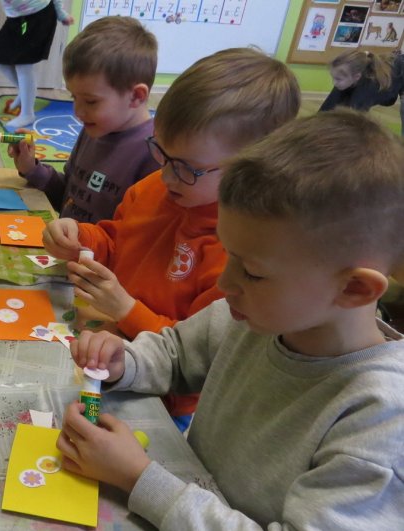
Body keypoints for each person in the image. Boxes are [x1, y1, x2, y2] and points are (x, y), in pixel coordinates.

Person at [58, 110, 404, 531]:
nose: (225, 283)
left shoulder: (381, 418)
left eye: (252, 272)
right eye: (229, 256)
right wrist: (123, 362)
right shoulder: (254, 316)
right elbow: (176, 353)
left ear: (354, 289)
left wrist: (138, 478)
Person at [43, 48, 300, 427]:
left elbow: (194, 354)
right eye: (161, 152)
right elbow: (116, 241)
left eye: (187, 168)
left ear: (252, 172)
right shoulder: (153, 189)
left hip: (167, 401)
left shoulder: (239, 251)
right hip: (108, 354)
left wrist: (126, 310)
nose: (165, 175)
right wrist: (80, 238)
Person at [10, 16, 160, 223]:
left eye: (90, 101)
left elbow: (140, 234)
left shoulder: (155, 155)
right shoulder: (95, 128)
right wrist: (32, 169)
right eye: (74, 97)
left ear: (136, 96)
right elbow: (69, 198)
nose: (78, 112)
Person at [0, 0, 74, 130]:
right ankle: (25, 92)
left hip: (40, 16)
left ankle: (27, 114)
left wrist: (61, 13)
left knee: (23, 64)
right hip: (16, 19)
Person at [318, 49, 398, 112]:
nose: (334, 83)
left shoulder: (367, 88)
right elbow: (326, 109)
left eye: (338, 79)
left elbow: (355, 120)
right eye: (333, 78)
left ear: (356, 77)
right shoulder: (347, 77)